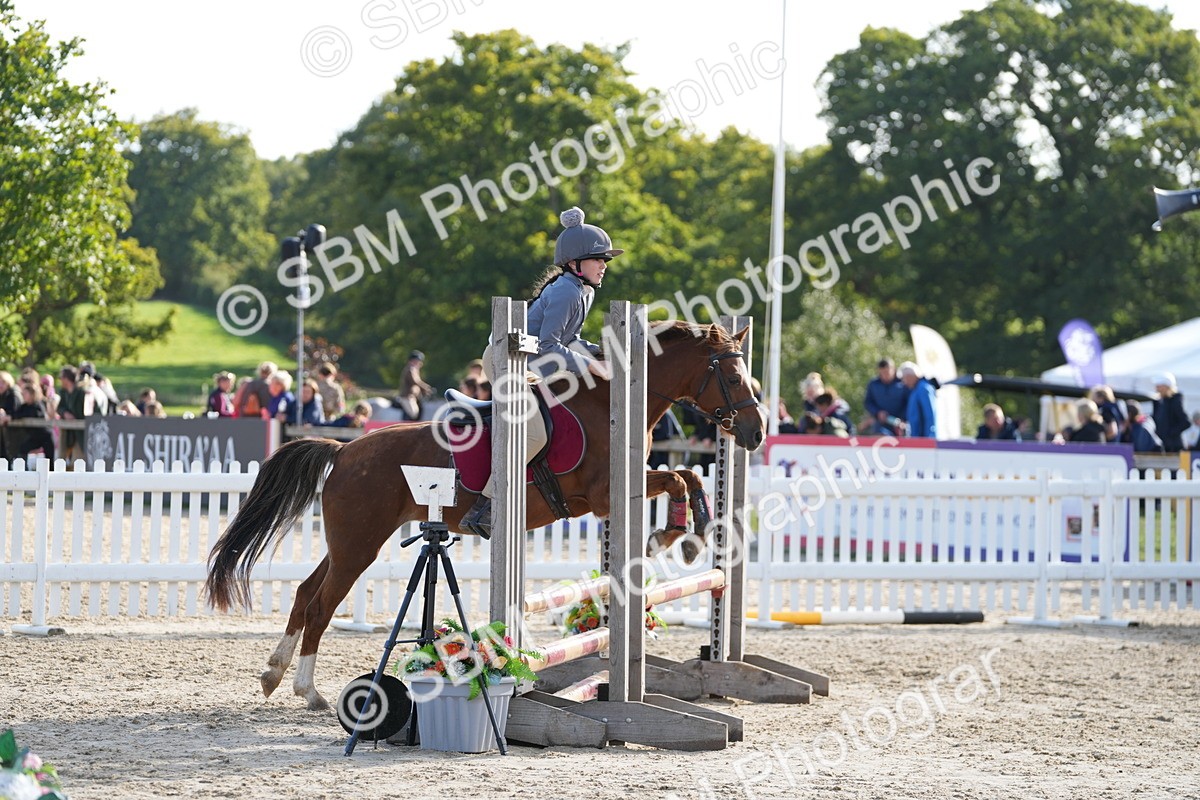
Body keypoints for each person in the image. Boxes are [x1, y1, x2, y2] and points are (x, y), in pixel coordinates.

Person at [461, 205, 620, 537]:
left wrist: (601, 353)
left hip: (527, 362)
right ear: (575, 263)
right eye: (598, 259)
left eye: (605, 260)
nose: (604, 266)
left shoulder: (581, 291)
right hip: (506, 360)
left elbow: (569, 340)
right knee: (533, 432)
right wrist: (591, 365)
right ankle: (485, 505)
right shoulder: (566, 291)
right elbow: (549, 346)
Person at [4, 382, 55, 463]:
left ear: (32, 394)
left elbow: (35, 414)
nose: (23, 395)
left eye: (25, 393)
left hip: (46, 435)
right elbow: (17, 413)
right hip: (35, 436)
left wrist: (14, 416)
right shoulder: (24, 406)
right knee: (23, 449)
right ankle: (24, 470)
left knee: (49, 458)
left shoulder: (38, 404)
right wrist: (8, 416)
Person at [863, 358, 909, 436]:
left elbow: (909, 403)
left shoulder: (903, 384)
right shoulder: (873, 384)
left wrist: (903, 418)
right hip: (880, 424)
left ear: (893, 369)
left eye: (887, 372)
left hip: (900, 424)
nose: (884, 376)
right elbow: (868, 402)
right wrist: (877, 412)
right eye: (882, 373)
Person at [1150, 372, 1190, 452]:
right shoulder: (1159, 402)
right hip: (1162, 447)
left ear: (1166, 386)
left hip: (1174, 447)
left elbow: (1186, 422)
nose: (1156, 389)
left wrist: (1169, 434)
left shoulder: (1175, 400)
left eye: (1159, 386)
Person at [899, 361, 937, 438]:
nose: (904, 382)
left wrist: (930, 438)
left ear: (910, 376)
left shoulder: (924, 389)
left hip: (924, 439)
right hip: (917, 438)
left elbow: (929, 416)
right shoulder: (915, 390)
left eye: (904, 378)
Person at [394, 350, 433, 421]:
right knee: (414, 413)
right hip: (406, 397)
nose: (418, 363)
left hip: (413, 397)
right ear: (411, 361)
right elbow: (416, 382)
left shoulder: (415, 370)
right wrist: (426, 388)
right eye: (416, 361)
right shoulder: (410, 370)